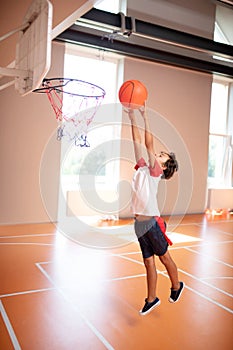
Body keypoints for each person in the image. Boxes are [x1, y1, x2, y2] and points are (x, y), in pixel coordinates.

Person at [126, 104, 184, 316]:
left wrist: (145, 115)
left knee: (164, 258)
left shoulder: (155, 172)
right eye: (159, 154)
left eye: (162, 155)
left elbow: (148, 144)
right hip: (139, 224)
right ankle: (152, 299)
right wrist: (132, 117)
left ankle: (177, 285)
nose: (157, 154)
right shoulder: (143, 167)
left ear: (164, 166)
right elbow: (137, 143)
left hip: (151, 224)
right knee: (148, 262)